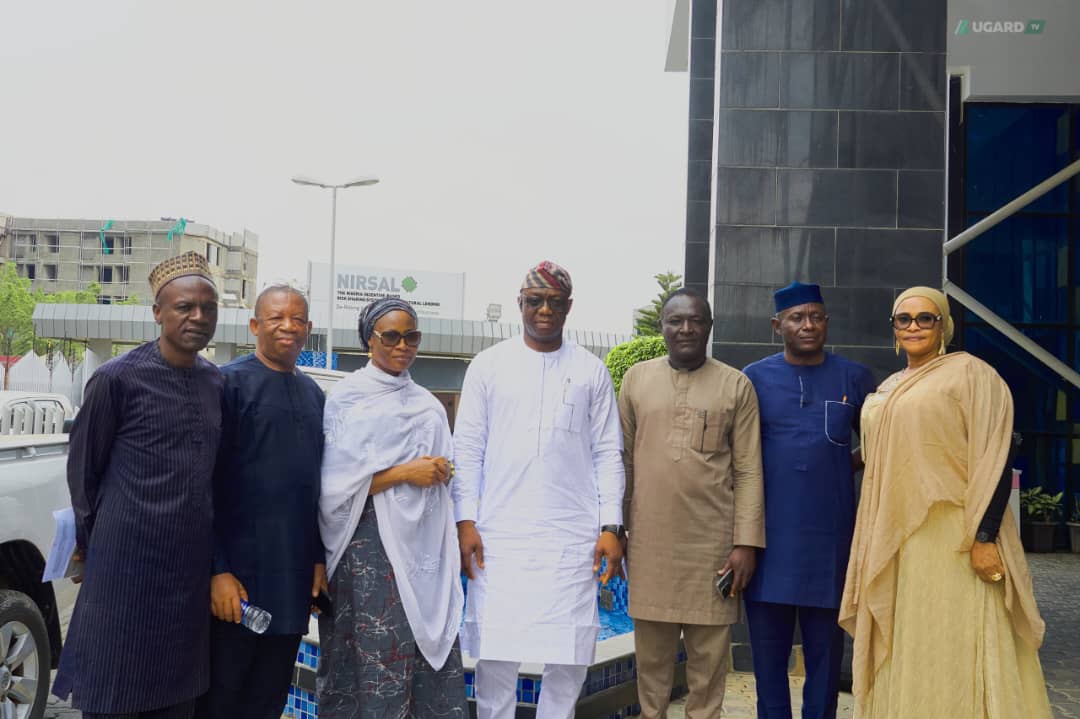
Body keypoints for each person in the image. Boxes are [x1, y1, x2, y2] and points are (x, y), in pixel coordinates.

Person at [839, 286, 1052, 718]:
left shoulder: (972, 375)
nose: (914, 326)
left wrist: (985, 537)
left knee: (952, 639)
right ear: (894, 329)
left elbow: (997, 454)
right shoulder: (890, 385)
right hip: (896, 538)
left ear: (944, 326)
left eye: (926, 318)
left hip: (953, 537)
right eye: (904, 319)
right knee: (907, 639)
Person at [53, 251, 223, 719]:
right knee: (116, 686)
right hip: (124, 567)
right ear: (157, 313)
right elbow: (83, 473)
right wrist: (90, 545)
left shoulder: (215, 383)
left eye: (208, 308)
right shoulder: (116, 379)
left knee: (178, 695)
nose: (198, 317)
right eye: (184, 307)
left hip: (187, 571)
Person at [453, 261, 625, 719]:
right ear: (520, 304)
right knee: (496, 657)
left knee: (569, 657)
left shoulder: (591, 371)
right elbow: (467, 449)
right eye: (535, 301)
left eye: (555, 302)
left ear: (569, 307)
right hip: (500, 535)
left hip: (571, 536)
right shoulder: (488, 366)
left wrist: (611, 527)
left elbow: (608, 453)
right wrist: (465, 521)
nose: (544, 310)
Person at [617, 288, 764, 719]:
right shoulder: (636, 380)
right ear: (661, 327)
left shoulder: (736, 385)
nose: (685, 329)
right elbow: (621, 461)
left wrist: (746, 543)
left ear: (709, 327)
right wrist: (615, 529)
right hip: (649, 545)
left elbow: (749, 470)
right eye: (675, 321)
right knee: (652, 667)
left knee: (708, 669)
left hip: (713, 548)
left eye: (696, 321)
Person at [316, 297, 467, 718]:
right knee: (371, 650)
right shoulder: (348, 399)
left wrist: (440, 470)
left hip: (422, 550)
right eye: (392, 337)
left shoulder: (428, 405)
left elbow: (445, 472)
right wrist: (405, 473)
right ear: (370, 340)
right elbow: (333, 487)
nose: (403, 346)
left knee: (421, 649)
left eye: (412, 336)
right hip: (366, 549)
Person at [741, 282, 875, 719]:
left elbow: (882, 440)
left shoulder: (853, 377)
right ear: (776, 325)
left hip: (830, 544)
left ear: (827, 323)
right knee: (768, 661)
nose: (808, 325)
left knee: (825, 658)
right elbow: (736, 455)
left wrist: (841, 465)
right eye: (797, 317)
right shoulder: (753, 378)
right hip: (769, 544)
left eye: (816, 316)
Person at [199, 285, 327, 719]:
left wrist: (317, 560)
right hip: (236, 585)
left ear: (308, 329)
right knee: (220, 701)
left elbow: (315, 489)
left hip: (290, 583)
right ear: (255, 325)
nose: (288, 327)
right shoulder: (225, 385)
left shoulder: (313, 395)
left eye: (297, 319)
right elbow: (202, 486)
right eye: (276, 318)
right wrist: (217, 570)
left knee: (268, 700)